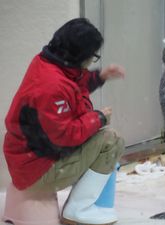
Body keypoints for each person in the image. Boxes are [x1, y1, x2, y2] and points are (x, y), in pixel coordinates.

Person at [3, 18, 125, 225]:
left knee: (98, 136)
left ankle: (79, 206)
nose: (91, 61)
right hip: (38, 169)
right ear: (80, 55)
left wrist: (100, 77)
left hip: (25, 157)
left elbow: (74, 83)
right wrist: (98, 117)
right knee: (111, 140)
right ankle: (79, 210)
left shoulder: (47, 62)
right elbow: (65, 135)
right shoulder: (52, 86)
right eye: (92, 56)